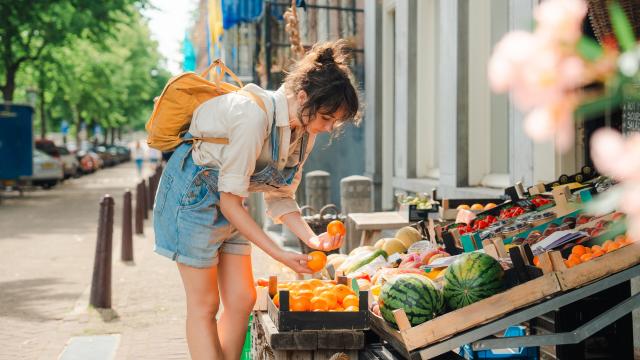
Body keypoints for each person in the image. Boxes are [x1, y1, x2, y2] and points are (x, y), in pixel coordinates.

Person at [152, 39, 361, 360]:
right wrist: (278, 252)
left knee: (242, 299)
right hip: (191, 198)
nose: (328, 127)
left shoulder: (303, 133)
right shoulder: (252, 117)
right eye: (326, 117)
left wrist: (311, 239)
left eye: (335, 122)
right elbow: (229, 202)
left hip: (230, 200)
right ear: (302, 97)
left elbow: (280, 196)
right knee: (204, 304)